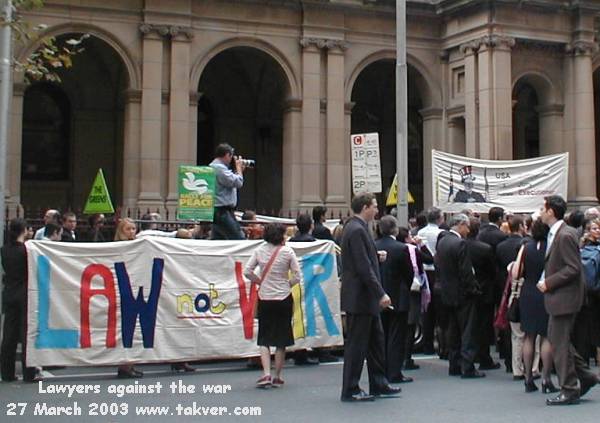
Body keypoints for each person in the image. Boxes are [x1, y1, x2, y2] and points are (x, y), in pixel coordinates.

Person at [537, 195, 599, 405]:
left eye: (543, 208)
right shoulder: (558, 233)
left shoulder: (564, 235)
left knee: (559, 343)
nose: (541, 212)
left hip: (565, 297)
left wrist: (549, 282)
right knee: (559, 341)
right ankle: (586, 376)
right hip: (561, 297)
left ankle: (569, 388)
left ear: (551, 212)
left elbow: (573, 268)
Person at [340, 192, 400, 402]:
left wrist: (376, 256)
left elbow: (364, 259)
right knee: (357, 345)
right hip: (360, 297)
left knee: (376, 341)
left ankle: (379, 383)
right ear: (365, 207)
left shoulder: (357, 228)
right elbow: (362, 266)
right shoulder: (356, 229)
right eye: (374, 206)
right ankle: (351, 388)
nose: (377, 210)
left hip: (364, 298)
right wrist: (380, 293)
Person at [244, 223, 301, 388]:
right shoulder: (288, 252)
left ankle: (266, 373)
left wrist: (260, 281)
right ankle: (277, 376)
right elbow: (297, 276)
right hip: (283, 297)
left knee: (264, 336)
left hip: (265, 296)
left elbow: (247, 271)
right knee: (282, 338)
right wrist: (286, 284)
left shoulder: (260, 250)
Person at [435, 213, 484, 378]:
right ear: (461, 225)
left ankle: (454, 364)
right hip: (463, 293)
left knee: (453, 330)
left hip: (447, 292)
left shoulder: (442, 242)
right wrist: (473, 290)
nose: (469, 230)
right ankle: (467, 367)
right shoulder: (460, 244)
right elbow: (466, 272)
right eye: (467, 226)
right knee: (467, 331)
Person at [515, 217, 557, 394]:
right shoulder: (551, 247)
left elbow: (516, 272)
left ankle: (528, 379)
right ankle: (546, 378)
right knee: (547, 336)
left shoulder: (526, 247)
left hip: (528, 292)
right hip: (546, 291)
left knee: (529, 336)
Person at [375, 216, 414, 383]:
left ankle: (381, 370)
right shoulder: (401, 248)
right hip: (398, 296)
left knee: (381, 335)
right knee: (397, 337)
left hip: (379, 295)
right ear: (395, 229)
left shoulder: (374, 246)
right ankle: (394, 372)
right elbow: (409, 273)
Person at [1, 219, 39, 382]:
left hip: (9, 293)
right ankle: (28, 372)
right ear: (23, 230)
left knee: (9, 334)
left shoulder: (4, 250)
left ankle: (7, 372)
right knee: (26, 333)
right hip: (25, 294)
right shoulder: (27, 250)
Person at [495, 215, 528, 377]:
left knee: (511, 330)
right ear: (521, 227)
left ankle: (510, 363)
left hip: (506, 289)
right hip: (523, 289)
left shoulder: (500, 246)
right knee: (526, 332)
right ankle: (528, 366)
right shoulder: (527, 245)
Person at [465, 217, 499, 371]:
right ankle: (484, 357)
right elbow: (493, 271)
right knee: (484, 325)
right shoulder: (484, 248)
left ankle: (472, 355)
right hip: (485, 290)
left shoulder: (462, 246)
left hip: (467, 290)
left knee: (469, 325)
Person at [397, 226, 432, 371]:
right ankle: (407, 357)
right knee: (411, 325)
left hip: (395, 291)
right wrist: (421, 245)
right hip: (412, 290)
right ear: (406, 238)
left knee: (398, 326)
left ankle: (397, 357)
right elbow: (430, 259)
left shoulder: (392, 249)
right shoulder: (412, 250)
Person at [114, 218, 143, 378]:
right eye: (128, 229)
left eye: (134, 229)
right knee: (125, 328)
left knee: (134, 330)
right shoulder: (118, 246)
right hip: (123, 291)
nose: (132, 232)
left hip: (134, 289)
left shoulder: (138, 245)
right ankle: (124, 365)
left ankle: (129, 363)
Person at [417, 207, 445, 356]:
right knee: (439, 310)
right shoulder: (440, 233)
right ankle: (441, 344)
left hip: (423, 271)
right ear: (439, 219)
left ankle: (427, 343)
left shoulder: (420, 233)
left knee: (426, 309)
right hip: (435, 271)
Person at [210, 143, 247, 240]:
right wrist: (239, 169)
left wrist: (238, 172)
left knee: (219, 240)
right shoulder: (219, 168)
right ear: (227, 155)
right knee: (238, 238)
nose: (231, 160)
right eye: (231, 157)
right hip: (222, 211)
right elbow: (238, 182)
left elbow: (229, 182)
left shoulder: (215, 167)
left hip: (218, 210)